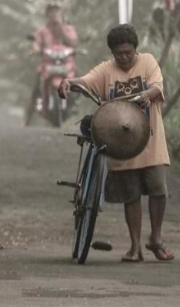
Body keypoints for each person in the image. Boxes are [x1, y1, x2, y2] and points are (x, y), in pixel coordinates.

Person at [63, 24, 172, 263]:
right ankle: (135, 247)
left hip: (150, 138)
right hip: (121, 144)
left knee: (157, 188)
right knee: (130, 194)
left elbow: (157, 86)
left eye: (128, 53)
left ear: (136, 50)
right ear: (112, 53)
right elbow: (86, 81)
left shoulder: (148, 62)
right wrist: (69, 83)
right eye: (118, 54)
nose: (123, 58)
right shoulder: (106, 70)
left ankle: (156, 238)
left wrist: (147, 94)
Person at [32, 3, 78, 123]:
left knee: (79, 82)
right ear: (47, 15)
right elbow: (37, 43)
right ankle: (35, 108)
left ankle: (76, 106)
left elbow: (73, 43)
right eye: (51, 13)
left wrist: (62, 31)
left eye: (56, 12)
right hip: (48, 63)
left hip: (66, 63)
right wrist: (36, 49)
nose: (54, 15)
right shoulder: (43, 31)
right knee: (37, 83)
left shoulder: (68, 29)